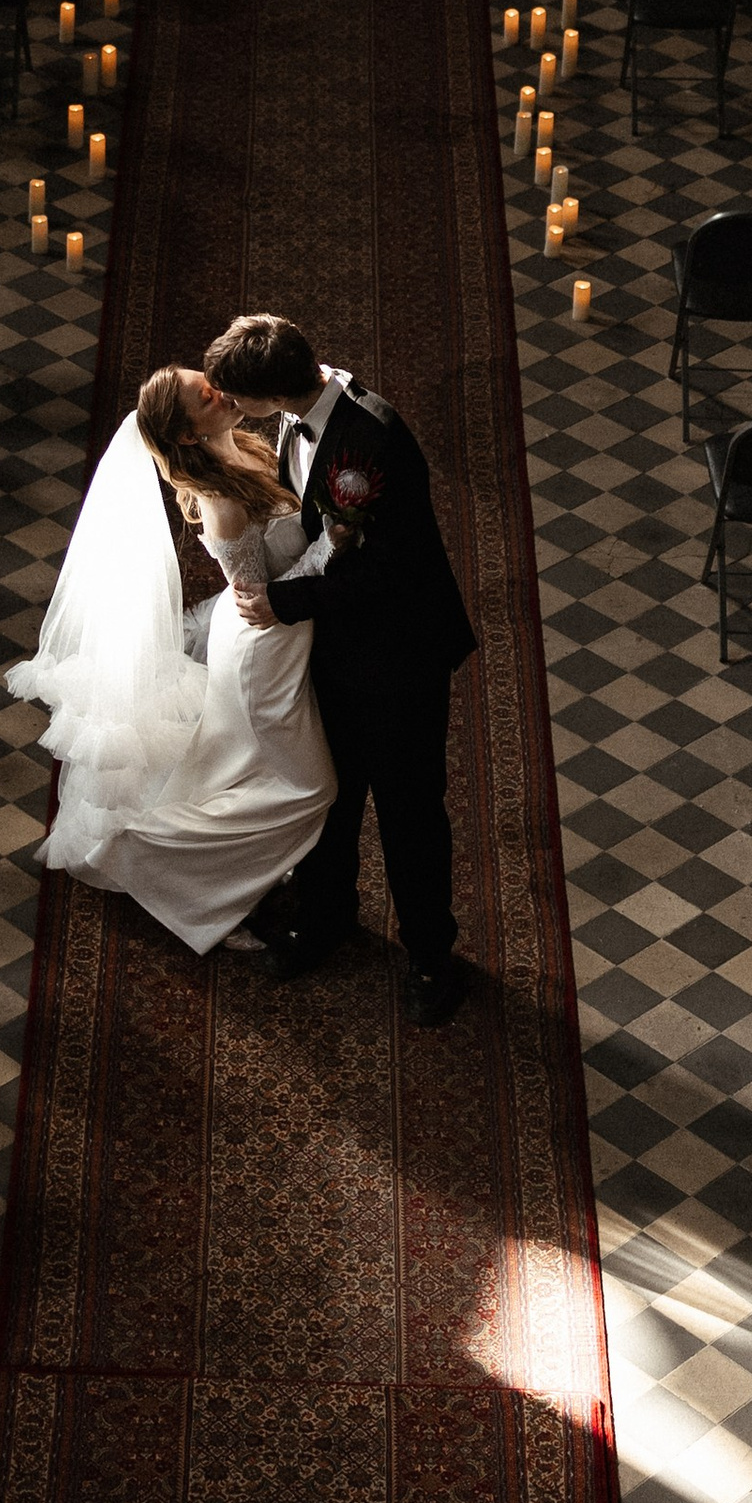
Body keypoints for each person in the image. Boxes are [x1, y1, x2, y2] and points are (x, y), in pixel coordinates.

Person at [205, 307, 477, 1027]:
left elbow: (389, 568)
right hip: (333, 645)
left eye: (242, 397)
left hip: (398, 655)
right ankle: (326, 916)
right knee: (330, 792)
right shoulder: (298, 417)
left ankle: (429, 955)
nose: (238, 410)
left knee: (408, 807)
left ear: (271, 393)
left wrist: (282, 600)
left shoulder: (370, 440)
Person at [5, 365, 334, 955]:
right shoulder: (220, 499)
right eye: (206, 396)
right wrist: (334, 544)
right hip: (265, 646)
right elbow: (257, 591)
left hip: (287, 636)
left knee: (232, 772)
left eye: (210, 380)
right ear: (187, 436)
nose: (221, 390)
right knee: (308, 787)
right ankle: (138, 849)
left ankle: (222, 884)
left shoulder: (250, 447)